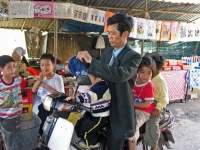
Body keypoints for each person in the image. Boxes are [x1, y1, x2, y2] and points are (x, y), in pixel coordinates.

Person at [76, 13, 141, 149]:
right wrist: (79, 64)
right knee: (82, 129)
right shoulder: (107, 52)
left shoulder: (133, 57)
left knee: (113, 146)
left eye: (113, 33)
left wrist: (91, 60)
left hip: (118, 110)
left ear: (125, 34)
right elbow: (97, 70)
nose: (109, 37)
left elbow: (119, 75)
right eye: (108, 33)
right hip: (101, 107)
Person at [66, 63, 111, 149]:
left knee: (87, 130)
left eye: (89, 78)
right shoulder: (96, 86)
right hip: (93, 113)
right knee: (79, 125)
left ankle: (93, 144)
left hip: (101, 117)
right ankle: (84, 140)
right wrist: (76, 97)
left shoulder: (101, 86)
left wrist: (78, 99)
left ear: (98, 78)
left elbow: (91, 96)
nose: (87, 81)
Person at [32, 53, 64, 135]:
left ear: (53, 65)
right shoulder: (42, 77)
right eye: (42, 65)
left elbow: (61, 95)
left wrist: (46, 86)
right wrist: (39, 80)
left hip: (53, 108)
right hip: (43, 107)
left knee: (49, 131)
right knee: (40, 129)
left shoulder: (57, 78)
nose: (44, 67)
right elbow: (33, 90)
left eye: (47, 65)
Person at [128, 56, 155, 150]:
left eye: (149, 73)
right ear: (137, 71)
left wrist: (131, 104)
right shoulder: (134, 80)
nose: (145, 76)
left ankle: (132, 146)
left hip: (144, 111)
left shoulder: (149, 86)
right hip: (133, 108)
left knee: (133, 125)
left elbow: (146, 104)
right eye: (142, 72)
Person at [143, 52, 169, 150]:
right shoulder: (147, 76)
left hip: (157, 104)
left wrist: (157, 109)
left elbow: (164, 98)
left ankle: (154, 146)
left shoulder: (160, 81)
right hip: (146, 101)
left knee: (152, 123)